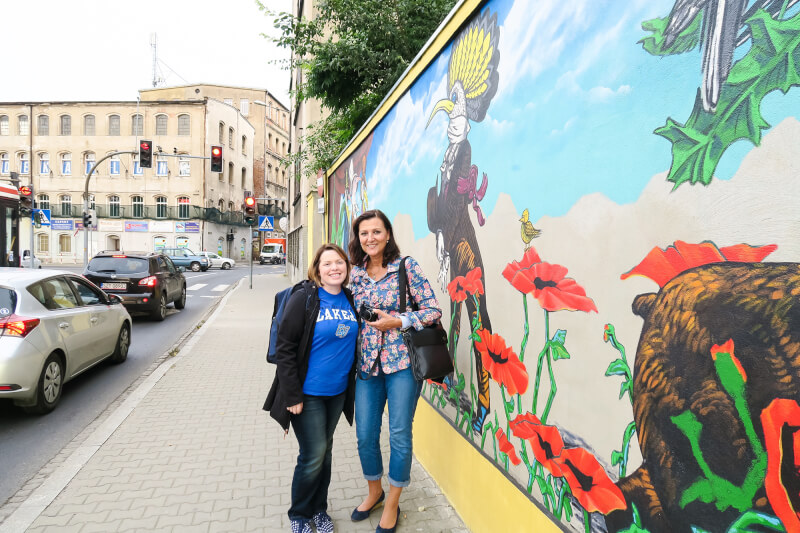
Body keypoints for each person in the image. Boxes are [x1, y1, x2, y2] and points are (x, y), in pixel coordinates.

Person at [348, 210, 442, 533]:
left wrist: (399, 321)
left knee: (399, 434)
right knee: (364, 435)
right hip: (367, 365)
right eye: (364, 233)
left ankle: (392, 503)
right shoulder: (355, 274)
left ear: (387, 234)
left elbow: (432, 310)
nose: (370, 238)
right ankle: (375, 491)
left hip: (403, 364)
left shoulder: (406, 267)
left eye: (376, 231)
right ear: (357, 238)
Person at [263, 243, 359, 533]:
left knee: (325, 452)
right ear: (317, 269)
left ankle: (320, 510)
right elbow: (285, 347)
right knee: (313, 453)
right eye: (327, 263)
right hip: (308, 393)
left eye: (339, 262)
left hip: (338, 392)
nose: (334, 268)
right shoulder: (305, 298)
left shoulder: (350, 298)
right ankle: (300, 514)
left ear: (346, 267)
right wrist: (292, 395)